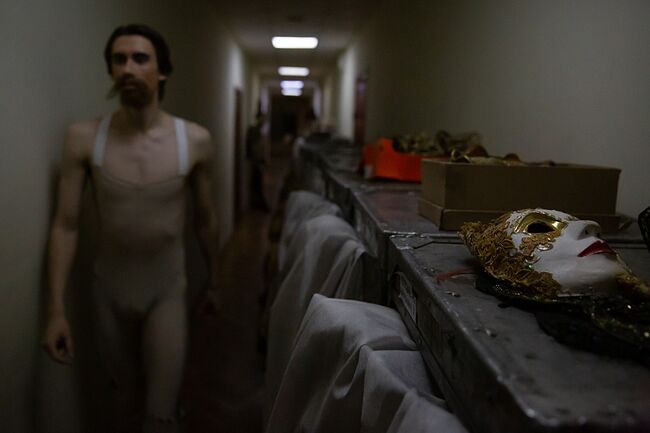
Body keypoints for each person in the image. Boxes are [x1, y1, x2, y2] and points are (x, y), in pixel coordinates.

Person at [41, 23, 220, 433]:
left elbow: (206, 219)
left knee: (160, 411)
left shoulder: (193, 140)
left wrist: (215, 281)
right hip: (109, 290)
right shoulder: (84, 139)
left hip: (166, 291)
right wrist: (56, 310)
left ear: (162, 71)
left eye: (140, 59)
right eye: (118, 60)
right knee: (122, 404)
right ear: (110, 70)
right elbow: (65, 226)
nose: (128, 68)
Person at [245, 112, 270, 211]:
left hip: (258, 162)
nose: (264, 121)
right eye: (262, 119)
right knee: (256, 184)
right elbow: (254, 149)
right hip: (256, 162)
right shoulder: (254, 131)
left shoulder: (258, 131)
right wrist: (258, 161)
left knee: (258, 183)